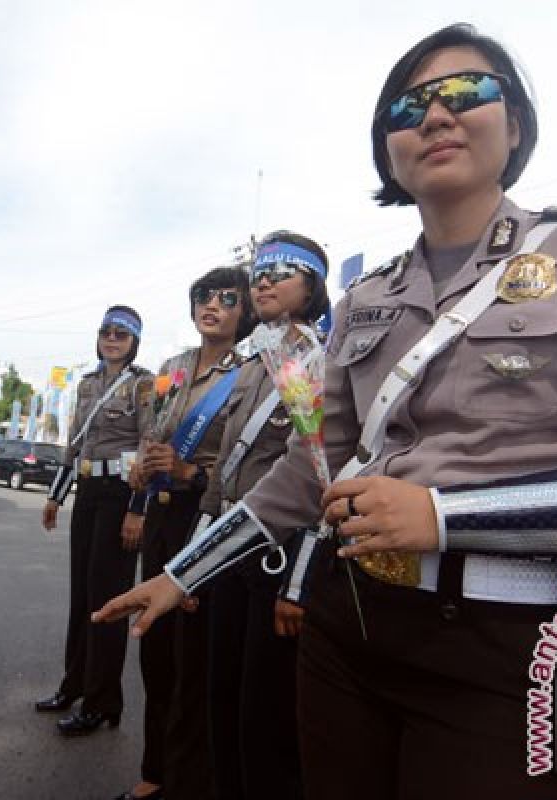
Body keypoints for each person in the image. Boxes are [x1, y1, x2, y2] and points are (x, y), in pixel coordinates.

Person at [95, 22, 557, 800]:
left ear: (516, 125)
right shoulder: (370, 297)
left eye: (468, 92)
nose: (435, 115)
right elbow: (312, 471)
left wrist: (445, 516)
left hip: (513, 650)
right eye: (408, 106)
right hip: (351, 625)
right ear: (388, 149)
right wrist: (180, 573)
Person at [201, 230, 331, 800]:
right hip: (228, 546)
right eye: (259, 272)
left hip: (276, 556)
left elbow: (321, 475)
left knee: (266, 716)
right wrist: (194, 561)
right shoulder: (253, 361)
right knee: (220, 696)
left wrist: (299, 584)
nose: (265, 281)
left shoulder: (315, 361)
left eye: (282, 271)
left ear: (313, 285)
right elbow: (224, 476)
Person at [115, 266, 254, 800]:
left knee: (194, 658)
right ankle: (155, 771)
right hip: (163, 519)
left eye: (225, 297)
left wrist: (190, 472)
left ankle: (190, 779)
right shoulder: (172, 368)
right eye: (202, 296)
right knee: (155, 650)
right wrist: (141, 475)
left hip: (208, 520)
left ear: (243, 311)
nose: (210, 305)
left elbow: (249, 463)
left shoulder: (250, 370)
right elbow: (154, 433)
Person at [35, 306, 155, 737]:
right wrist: (55, 496)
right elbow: (75, 443)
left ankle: (103, 702)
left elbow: (149, 444)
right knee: (82, 596)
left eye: (121, 333)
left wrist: (138, 508)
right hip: (87, 492)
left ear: (134, 340)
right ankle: (73, 686)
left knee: (108, 601)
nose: (112, 338)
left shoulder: (143, 384)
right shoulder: (87, 384)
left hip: (121, 495)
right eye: (106, 331)